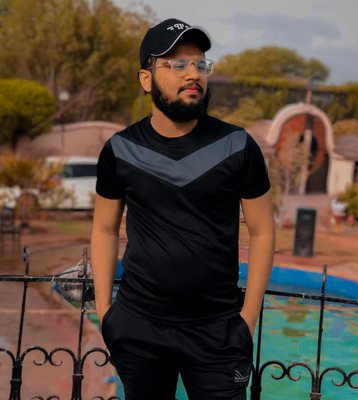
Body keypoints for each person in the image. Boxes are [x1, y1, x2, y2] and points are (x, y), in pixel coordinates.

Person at [91, 18, 275, 400]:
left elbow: (263, 232)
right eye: (178, 64)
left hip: (219, 333)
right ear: (146, 79)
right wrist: (106, 312)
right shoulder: (120, 150)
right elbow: (104, 229)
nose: (193, 73)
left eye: (200, 63)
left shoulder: (238, 146)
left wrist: (247, 321)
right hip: (138, 328)